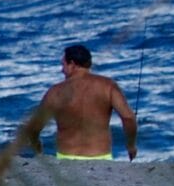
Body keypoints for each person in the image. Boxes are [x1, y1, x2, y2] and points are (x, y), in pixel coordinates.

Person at [11, 43, 139, 163]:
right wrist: (130, 145)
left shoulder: (55, 92)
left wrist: (37, 145)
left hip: (66, 159)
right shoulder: (107, 86)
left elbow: (35, 126)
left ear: (72, 64)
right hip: (101, 158)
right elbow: (128, 117)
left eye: (63, 65)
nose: (62, 70)